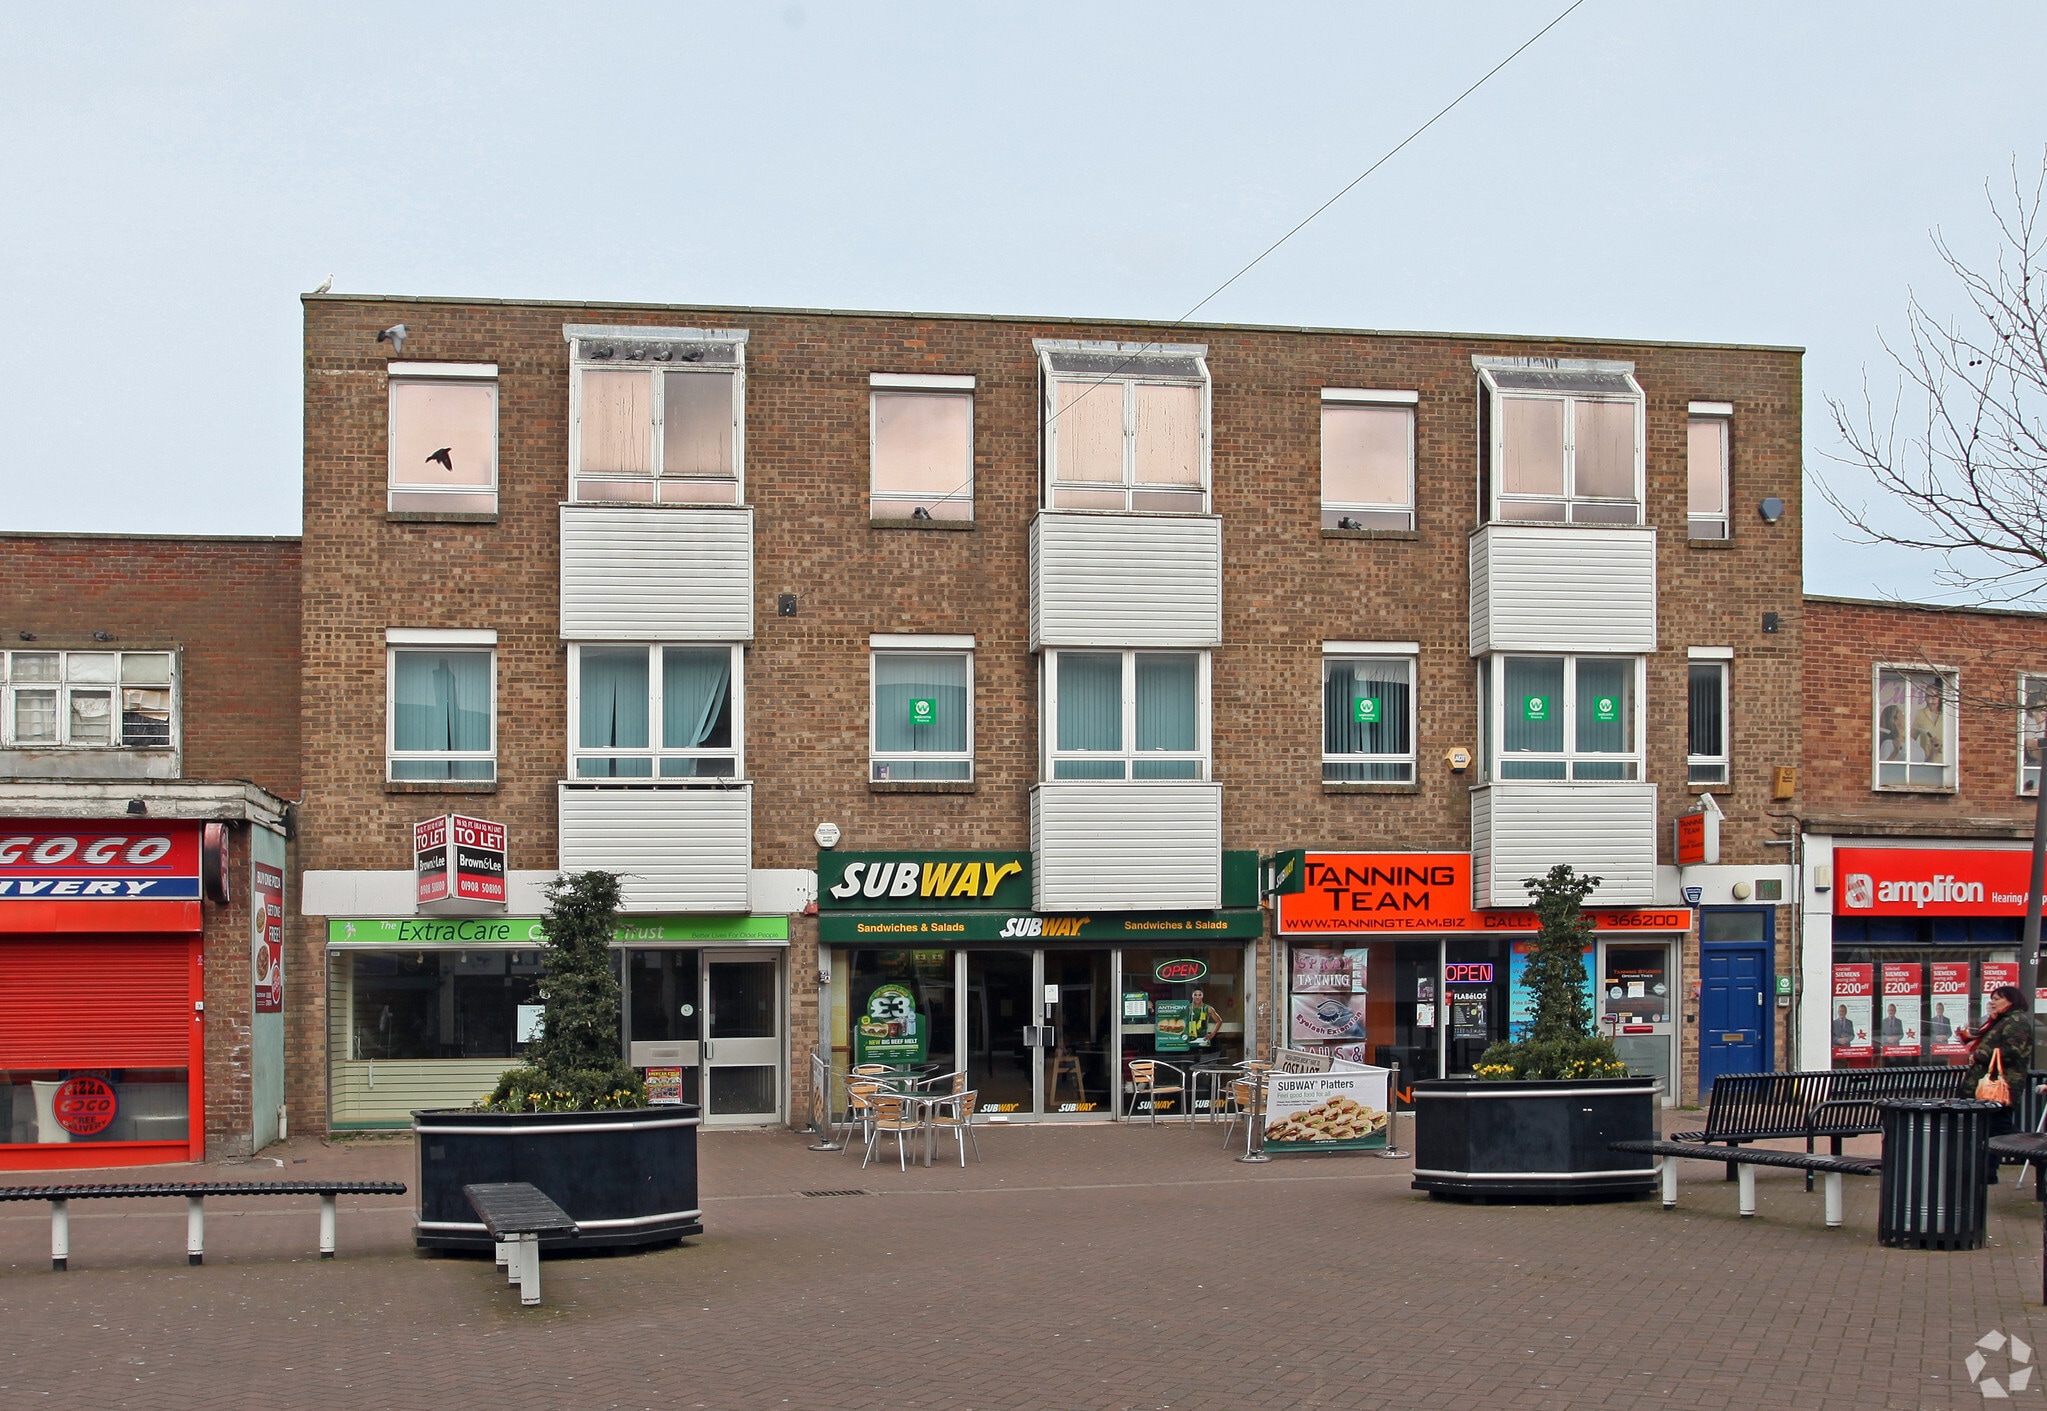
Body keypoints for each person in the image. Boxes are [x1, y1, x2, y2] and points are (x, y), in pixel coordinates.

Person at [1958, 984, 2033, 1184]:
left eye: (1998, 998)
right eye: (1992, 998)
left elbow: (2012, 1051)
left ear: (2011, 1000)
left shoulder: (2017, 1021)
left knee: (2000, 1128)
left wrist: (1980, 1055)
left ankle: (2038, 1153)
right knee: (1990, 1130)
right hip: (1990, 1086)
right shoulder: (2001, 1021)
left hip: (2001, 1087)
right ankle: (1988, 1173)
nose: (1993, 1002)